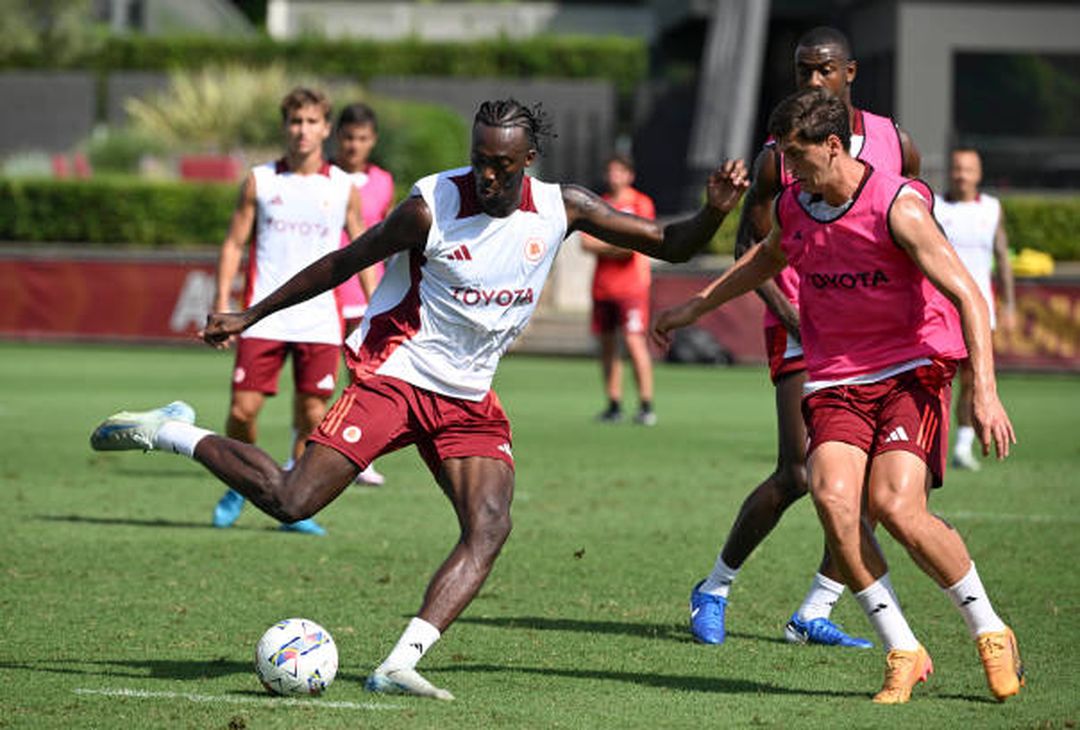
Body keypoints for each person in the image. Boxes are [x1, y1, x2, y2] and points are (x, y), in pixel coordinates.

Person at [90, 98, 750, 701]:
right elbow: (342, 262)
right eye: (478, 161)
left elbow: (672, 243)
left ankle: (399, 663)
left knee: (490, 524)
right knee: (291, 501)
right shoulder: (429, 207)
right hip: (397, 374)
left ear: (528, 162)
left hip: (467, 397)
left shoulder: (563, 207)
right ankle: (169, 431)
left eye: (500, 166)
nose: (486, 177)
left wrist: (717, 209)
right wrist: (251, 314)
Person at [654, 87, 1023, 704]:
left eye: (796, 159)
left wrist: (984, 392)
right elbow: (764, 259)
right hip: (838, 377)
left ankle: (989, 630)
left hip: (913, 367)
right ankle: (903, 649)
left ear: (833, 146)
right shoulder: (798, 206)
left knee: (898, 507)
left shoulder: (897, 206)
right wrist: (696, 305)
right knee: (830, 496)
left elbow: (969, 296)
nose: (787, 172)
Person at [689, 26, 921, 649]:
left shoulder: (896, 142)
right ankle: (713, 588)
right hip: (800, 327)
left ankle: (814, 609)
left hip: (875, 337)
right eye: (802, 72)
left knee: (867, 486)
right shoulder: (777, 154)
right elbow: (749, 251)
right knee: (797, 472)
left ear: (850, 74)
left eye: (824, 71)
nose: (813, 82)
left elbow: (918, 227)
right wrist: (796, 318)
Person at [209, 87, 364, 535]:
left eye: (312, 122)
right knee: (242, 410)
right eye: (295, 122)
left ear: (326, 128)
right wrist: (224, 304)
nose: (303, 130)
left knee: (313, 416)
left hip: (319, 320)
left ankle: (293, 499)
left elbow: (363, 250)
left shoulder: (342, 187)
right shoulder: (261, 180)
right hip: (262, 315)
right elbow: (234, 243)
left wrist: (374, 311)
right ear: (285, 126)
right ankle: (240, 482)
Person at [935, 148, 1017, 471]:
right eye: (956, 168)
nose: (961, 174)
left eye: (968, 169)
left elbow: (1003, 258)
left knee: (971, 380)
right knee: (932, 378)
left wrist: (1008, 303)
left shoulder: (992, 209)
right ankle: (930, 442)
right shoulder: (934, 207)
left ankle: (962, 446)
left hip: (978, 309)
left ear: (978, 174)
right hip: (938, 309)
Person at [332, 101, 396, 487]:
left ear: (372, 141)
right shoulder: (326, 178)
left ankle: (359, 453)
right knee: (317, 377)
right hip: (331, 285)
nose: (355, 145)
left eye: (362, 138)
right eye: (349, 137)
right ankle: (301, 448)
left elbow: (382, 230)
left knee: (364, 372)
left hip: (370, 283)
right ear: (339, 137)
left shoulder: (383, 181)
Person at [581, 154, 658, 425]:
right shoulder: (597, 204)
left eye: (619, 172)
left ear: (629, 175)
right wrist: (617, 246)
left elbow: (637, 243)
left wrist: (613, 246)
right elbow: (586, 244)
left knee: (635, 342)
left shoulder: (640, 202)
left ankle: (646, 404)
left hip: (633, 287)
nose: (613, 177)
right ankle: (613, 402)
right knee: (607, 347)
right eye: (610, 171)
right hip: (603, 287)